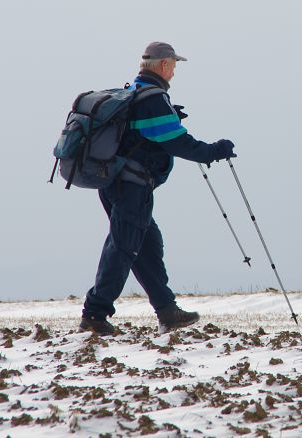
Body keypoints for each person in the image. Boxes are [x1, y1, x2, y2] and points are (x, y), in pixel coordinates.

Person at [79, 42, 236, 336]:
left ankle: (167, 310)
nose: (175, 71)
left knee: (147, 245)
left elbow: (152, 134)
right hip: (132, 186)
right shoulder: (153, 98)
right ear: (163, 65)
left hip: (118, 184)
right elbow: (178, 142)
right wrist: (215, 150)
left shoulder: (135, 91)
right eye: (174, 65)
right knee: (123, 247)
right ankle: (94, 314)